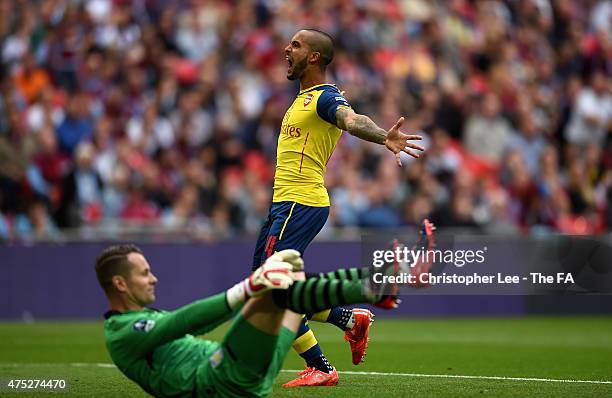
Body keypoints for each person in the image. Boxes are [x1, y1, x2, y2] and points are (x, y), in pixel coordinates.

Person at [251, 28, 425, 386]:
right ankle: (349, 319)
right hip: (286, 204)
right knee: (263, 286)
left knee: (273, 288)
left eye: (296, 45)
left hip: (300, 202)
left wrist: (383, 136)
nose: (287, 48)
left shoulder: (325, 99)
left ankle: (321, 367)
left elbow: (351, 120)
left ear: (314, 57)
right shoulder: (304, 98)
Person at [96, 244, 401, 398]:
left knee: (288, 282)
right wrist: (247, 288)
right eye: (144, 273)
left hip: (244, 374)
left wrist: (252, 289)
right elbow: (182, 322)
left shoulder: (138, 319)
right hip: (221, 378)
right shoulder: (122, 333)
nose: (154, 279)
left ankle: (374, 284)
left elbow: (189, 324)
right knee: (278, 285)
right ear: (120, 284)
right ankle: (371, 288)